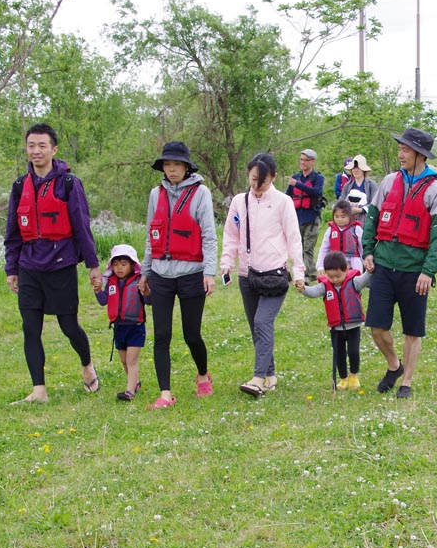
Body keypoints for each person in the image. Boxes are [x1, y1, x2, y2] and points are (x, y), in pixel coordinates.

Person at [4, 122, 102, 404]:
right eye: (31, 145)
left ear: (53, 149)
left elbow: (82, 227)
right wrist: (12, 268)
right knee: (30, 327)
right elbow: (12, 231)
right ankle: (39, 390)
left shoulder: (68, 183)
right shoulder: (20, 186)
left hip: (61, 264)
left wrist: (92, 265)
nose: (36, 151)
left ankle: (86, 365)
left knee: (69, 326)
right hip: (29, 267)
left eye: (42, 145)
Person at [362, 126, 437, 399]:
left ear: (420, 155)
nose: (400, 154)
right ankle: (394, 366)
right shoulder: (389, 182)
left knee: (413, 330)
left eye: (405, 149)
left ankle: (406, 382)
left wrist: (428, 270)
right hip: (385, 265)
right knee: (377, 327)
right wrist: (368, 250)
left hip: (415, 271)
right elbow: (372, 218)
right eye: (399, 148)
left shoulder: (436, 189)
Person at [138, 141, 217, 410]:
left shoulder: (201, 193)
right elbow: (152, 234)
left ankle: (204, 375)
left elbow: (208, 234)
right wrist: (145, 271)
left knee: (191, 335)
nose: (172, 170)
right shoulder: (154, 194)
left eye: (177, 165)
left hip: (191, 273)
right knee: (162, 335)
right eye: (167, 165)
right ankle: (165, 393)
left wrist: (210, 272)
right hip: (161, 274)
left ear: (186, 167)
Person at [221, 152, 306, 396]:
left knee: (262, 322)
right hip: (247, 275)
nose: (257, 186)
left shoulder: (282, 202)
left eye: (263, 181)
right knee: (255, 326)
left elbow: (294, 238)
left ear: (274, 177)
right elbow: (231, 234)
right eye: (253, 179)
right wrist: (227, 262)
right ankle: (270, 375)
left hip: (275, 274)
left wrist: (298, 271)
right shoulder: (239, 201)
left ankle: (258, 378)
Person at [300, 250, 372, 390]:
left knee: (353, 352)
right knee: (338, 354)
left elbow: (365, 279)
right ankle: (343, 378)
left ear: (346, 269)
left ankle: (354, 376)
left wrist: (369, 271)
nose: (335, 280)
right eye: (331, 276)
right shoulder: (325, 286)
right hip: (336, 328)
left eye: (338, 276)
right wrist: (303, 289)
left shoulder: (354, 282)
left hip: (353, 326)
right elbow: (313, 292)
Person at [94, 244, 146, 401]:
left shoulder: (138, 281)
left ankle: (130, 391)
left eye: (124, 264)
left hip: (136, 327)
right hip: (119, 328)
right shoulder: (111, 282)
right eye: (115, 265)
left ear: (132, 265)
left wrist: (147, 290)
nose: (119, 268)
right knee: (124, 360)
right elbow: (104, 301)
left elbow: (149, 300)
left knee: (131, 360)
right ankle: (135, 383)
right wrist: (97, 291)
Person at [288, 148, 325, 282]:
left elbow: (316, 192)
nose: (302, 162)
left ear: (312, 161)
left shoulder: (318, 178)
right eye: (301, 159)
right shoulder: (295, 177)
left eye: (306, 160)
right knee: (298, 247)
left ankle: (308, 275)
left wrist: (297, 184)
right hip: (296, 218)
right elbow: (288, 197)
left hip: (312, 217)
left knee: (308, 247)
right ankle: (305, 272)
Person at [316, 198, 364, 274]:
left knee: (353, 283)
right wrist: (320, 265)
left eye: (343, 217)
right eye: (337, 216)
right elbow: (324, 249)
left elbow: (362, 247)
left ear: (350, 216)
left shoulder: (356, 229)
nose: (339, 219)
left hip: (353, 262)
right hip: (335, 262)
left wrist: (365, 261)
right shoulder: (330, 230)